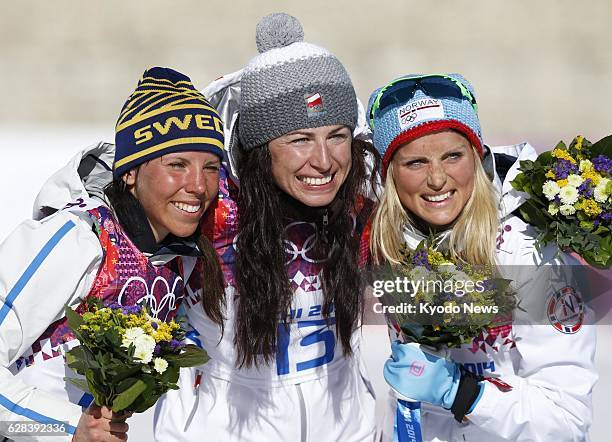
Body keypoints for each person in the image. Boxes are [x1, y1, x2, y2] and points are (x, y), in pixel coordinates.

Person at [154, 13, 380, 441]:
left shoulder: (363, 200)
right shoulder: (205, 208)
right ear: (261, 149)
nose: (324, 160)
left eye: (337, 135)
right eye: (298, 140)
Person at [367, 73, 598, 441]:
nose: (438, 178)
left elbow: (566, 421)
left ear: (477, 155)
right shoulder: (385, 237)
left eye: (453, 156)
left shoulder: (530, 248)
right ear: (389, 174)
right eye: (415, 163)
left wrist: (464, 394)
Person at [0, 67, 225, 442]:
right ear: (131, 172)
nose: (199, 186)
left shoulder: (179, 257)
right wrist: (65, 429)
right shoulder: (77, 239)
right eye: (177, 165)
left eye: (211, 168)